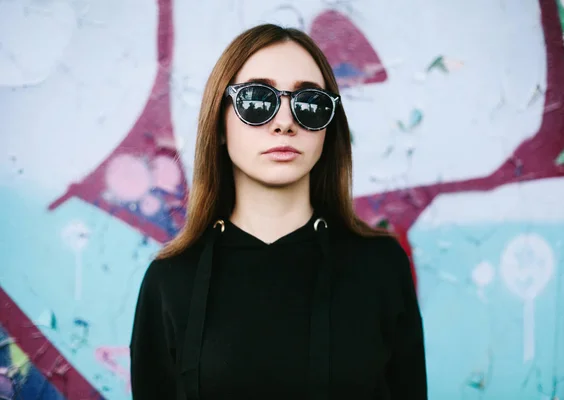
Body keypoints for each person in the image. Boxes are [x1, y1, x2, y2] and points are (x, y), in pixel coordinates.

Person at [129, 23, 427, 400]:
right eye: (257, 100)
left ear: (328, 128)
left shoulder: (381, 268)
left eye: (309, 104)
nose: (285, 122)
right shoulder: (170, 281)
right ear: (220, 124)